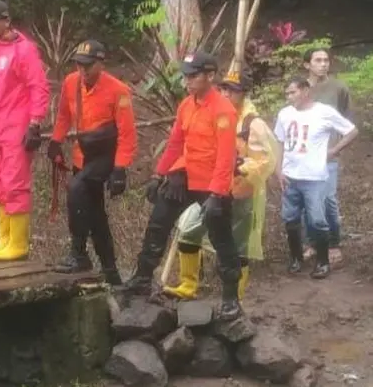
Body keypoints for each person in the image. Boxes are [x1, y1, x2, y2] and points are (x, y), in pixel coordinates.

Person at [123, 51, 243, 320]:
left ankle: (231, 299)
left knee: (222, 239)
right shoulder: (186, 105)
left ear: (210, 76)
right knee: (158, 223)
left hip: (213, 182)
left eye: (194, 75)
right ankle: (142, 278)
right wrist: (159, 174)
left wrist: (217, 193)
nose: (187, 80)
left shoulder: (223, 110)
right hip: (185, 176)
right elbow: (176, 142)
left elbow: (226, 155)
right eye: (186, 75)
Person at [163, 70, 278, 301]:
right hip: (210, 190)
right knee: (188, 229)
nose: (226, 94)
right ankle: (188, 285)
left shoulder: (252, 124)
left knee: (238, 247)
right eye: (223, 89)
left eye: (232, 91)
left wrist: (241, 167)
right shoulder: (213, 113)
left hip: (239, 193)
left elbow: (267, 160)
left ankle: (235, 300)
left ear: (243, 94)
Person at [46, 40, 137, 283]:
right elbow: (64, 114)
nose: (83, 70)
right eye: (79, 65)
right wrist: (56, 141)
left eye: (88, 65)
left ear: (100, 63)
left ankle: (79, 254)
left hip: (106, 155)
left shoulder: (118, 91)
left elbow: (127, 134)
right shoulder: (70, 83)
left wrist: (120, 169)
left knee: (76, 190)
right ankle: (110, 271)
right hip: (82, 154)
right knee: (95, 212)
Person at [0, 0, 50, 262]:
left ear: (6, 21)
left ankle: (18, 242)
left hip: (15, 125)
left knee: (15, 182)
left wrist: (35, 122)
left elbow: (38, 86)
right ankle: (3, 238)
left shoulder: (24, 50)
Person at [274, 77, 357, 279]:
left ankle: (322, 261)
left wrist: (334, 150)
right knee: (291, 218)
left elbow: (351, 130)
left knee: (317, 219)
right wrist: (278, 170)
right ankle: (296, 258)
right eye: (287, 93)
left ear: (305, 91)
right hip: (290, 175)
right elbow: (279, 142)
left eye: (292, 92)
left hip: (314, 176)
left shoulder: (323, 112)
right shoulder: (285, 114)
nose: (289, 97)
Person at [302, 48, 352, 267]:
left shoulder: (338, 88)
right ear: (307, 64)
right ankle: (312, 242)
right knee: (307, 200)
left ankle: (333, 243)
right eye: (318, 60)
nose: (323, 64)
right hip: (304, 156)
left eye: (326, 60)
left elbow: (347, 121)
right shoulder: (300, 89)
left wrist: (336, 149)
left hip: (328, 155)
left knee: (328, 199)